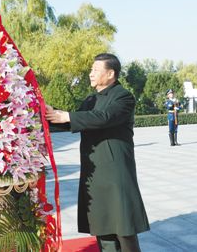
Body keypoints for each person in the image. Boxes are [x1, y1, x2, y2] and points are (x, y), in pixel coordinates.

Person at [45, 53, 149, 252]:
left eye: (95, 70)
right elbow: (77, 120)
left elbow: (104, 117)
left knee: (123, 226)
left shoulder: (123, 96)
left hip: (115, 171)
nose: (90, 74)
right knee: (102, 224)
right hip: (94, 171)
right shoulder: (91, 98)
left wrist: (67, 116)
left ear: (110, 74)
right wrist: (49, 114)